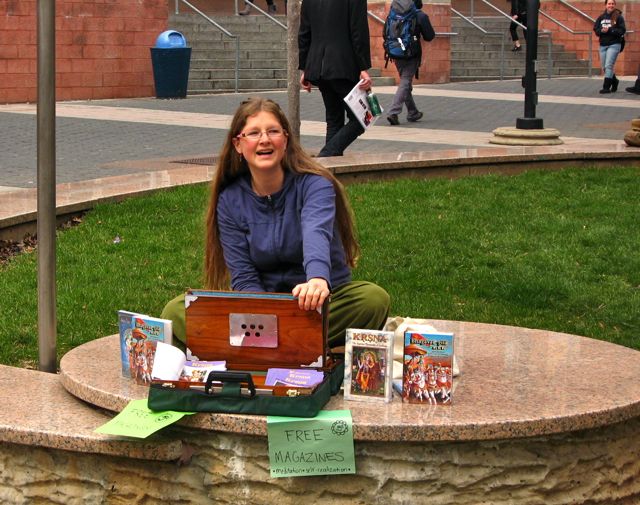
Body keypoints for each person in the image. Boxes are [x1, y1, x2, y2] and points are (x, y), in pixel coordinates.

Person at [160, 98, 390, 349]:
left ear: (286, 139)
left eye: (273, 131)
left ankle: (258, 348)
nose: (264, 140)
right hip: (260, 309)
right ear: (238, 144)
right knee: (175, 311)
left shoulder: (315, 186)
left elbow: (316, 232)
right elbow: (243, 276)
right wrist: (261, 316)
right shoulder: (230, 200)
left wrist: (316, 280)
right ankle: (289, 345)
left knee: (372, 299)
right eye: (254, 133)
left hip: (316, 306)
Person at [298, 0, 372, 157]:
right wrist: (363, 67)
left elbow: (304, 33)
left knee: (334, 120)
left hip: (318, 66)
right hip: (343, 65)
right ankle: (325, 156)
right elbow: (358, 31)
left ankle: (327, 169)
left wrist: (305, 67)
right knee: (361, 118)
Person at [385, 0, 435, 126]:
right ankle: (393, 112)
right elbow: (429, 36)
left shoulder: (393, 12)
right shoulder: (420, 15)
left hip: (395, 51)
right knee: (405, 81)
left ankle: (413, 112)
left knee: (405, 82)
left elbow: (385, 32)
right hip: (411, 53)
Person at [594, 0, 626, 94]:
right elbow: (596, 29)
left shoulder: (618, 17)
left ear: (615, 5)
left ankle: (606, 87)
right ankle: (615, 81)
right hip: (603, 45)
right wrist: (601, 31)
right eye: (609, 4)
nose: (611, 5)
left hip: (614, 44)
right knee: (604, 67)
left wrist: (610, 30)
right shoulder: (601, 17)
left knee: (609, 65)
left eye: (612, 4)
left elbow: (622, 30)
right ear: (605, 5)